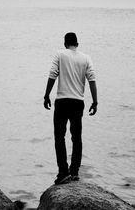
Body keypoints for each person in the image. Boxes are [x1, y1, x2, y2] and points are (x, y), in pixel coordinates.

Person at [44, 32, 98, 185]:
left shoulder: (60, 54)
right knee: (77, 138)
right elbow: (92, 80)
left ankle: (63, 172)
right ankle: (74, 172)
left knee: (59, 138)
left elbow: (52, 75)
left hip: (62, 101)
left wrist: (46, 95)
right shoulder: (86, 58)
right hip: (77, 103)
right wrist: (95, 102)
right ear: (77, 44)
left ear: (65, 43)